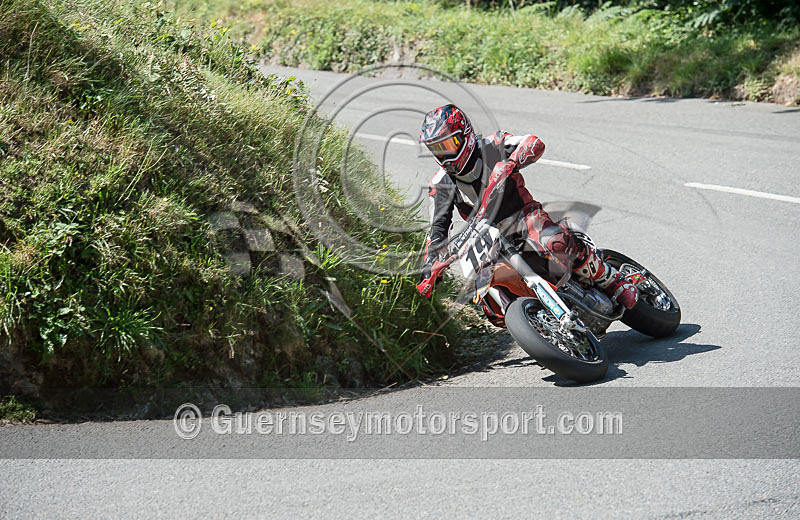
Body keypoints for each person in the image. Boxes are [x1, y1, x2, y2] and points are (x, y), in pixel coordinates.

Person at [415, 104, 638, 310]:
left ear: (465, 135)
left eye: (448, 145)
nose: (444, 154)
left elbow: (533, 142)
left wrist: (509, 164)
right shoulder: (440, 184)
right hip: (485, 239)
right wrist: (430, 270)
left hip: (522, 215)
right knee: (489, 302)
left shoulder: (492, 145)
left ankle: (612, 279)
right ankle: (540, 323)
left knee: (554, 242)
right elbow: (437, 231)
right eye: (437, 148)